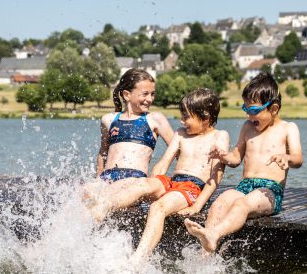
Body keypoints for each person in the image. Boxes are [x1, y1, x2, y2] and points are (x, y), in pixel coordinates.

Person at [87, 88, 229, 260]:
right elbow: (163, 163)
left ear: (205, 117)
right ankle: (104, 206)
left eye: (187, 117)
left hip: (192, 187)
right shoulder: (181, 134)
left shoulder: (219, 136)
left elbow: (215, 178)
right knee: (141, 183)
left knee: (158, 208)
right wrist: (151, 184)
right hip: (172, 182)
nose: (182, 121)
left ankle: (138, 259)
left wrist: (197, 206)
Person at [184, 72, 303, 253]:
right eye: (245, 109)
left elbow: (298, 159)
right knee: (219, 204)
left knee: (241, 205)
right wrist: (223, 156)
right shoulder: (248, 128)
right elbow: (236, 159)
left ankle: (214, 235)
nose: (249, 116)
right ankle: (204, 256)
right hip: (245, 186)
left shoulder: (288, 128)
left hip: (269, 190)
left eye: (254, 110)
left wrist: (287, 158)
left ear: (274, 108)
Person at [83, 68, 174, 209]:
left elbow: (177, 148)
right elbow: (103, 152)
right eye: (145, 94)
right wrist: (97, 179)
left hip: (134, 180)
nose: (150, 99)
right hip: (107, 177)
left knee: (103, 197)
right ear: (127, 95)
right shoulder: (109, 120)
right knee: (85, 191)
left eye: (152, 94)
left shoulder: (154, 119)